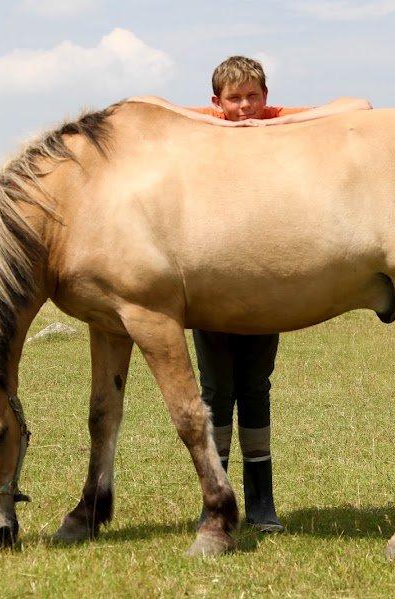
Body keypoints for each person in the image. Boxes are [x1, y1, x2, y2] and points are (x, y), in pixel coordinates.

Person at [130, 56, 371, 532]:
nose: (243, 107)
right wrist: (212, 121)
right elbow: (144, 104)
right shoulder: (210, 125)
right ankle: (215, 495)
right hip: (212, 281)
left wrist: (278, 121)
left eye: (252, 97)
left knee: (256, 389)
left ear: (266, 97)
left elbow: (358, 105)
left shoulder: (273, 120)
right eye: (233, 99)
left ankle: (262, 503)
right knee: (216, 390)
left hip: (263, 283)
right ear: (216, 102)